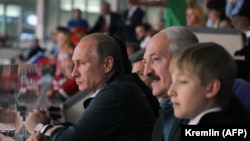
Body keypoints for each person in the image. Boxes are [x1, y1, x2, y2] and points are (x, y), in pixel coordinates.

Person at [25, 33, 156, 141]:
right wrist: (52, 128)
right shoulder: (121, 87)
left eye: (81, 63)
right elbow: (81, 130)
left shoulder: (116, 93)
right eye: (74, 64)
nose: (73, 73)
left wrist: (40, 127)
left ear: (107, 64)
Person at [142, 26, 199, 141]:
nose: (146, 71)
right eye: (145, 62)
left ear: (184, 60)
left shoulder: (212, 107)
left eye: (156, 59)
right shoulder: (166, 107)